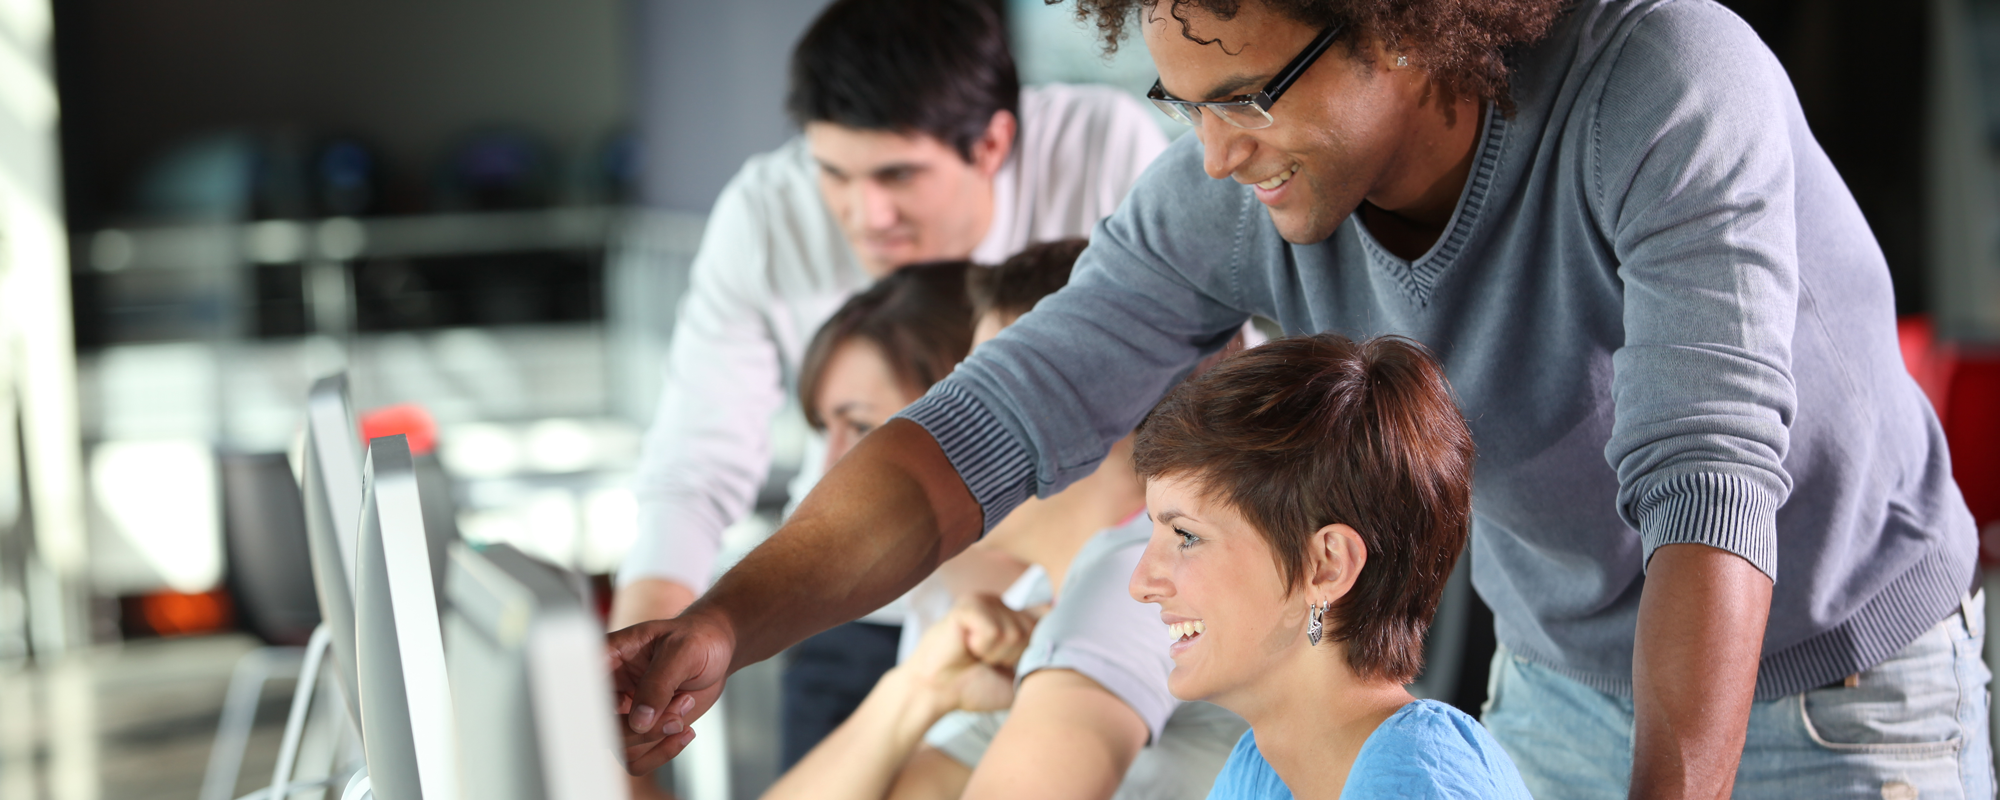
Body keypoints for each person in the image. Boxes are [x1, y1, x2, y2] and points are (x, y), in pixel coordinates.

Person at [610, 0, 1988, 796]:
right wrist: (722, 620)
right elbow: (982, 427)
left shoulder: (1665, 82)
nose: (1214, 154)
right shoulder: (1239, 195)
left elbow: (1705, 490)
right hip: (1567, 684)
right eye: (1183, 100)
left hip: (1832, 698)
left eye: (1250, 97)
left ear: (1403, 22)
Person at [611, 0, 1168, 770]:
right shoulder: (767, 210)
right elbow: (695, 465)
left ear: (994, 144)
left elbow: (1193, 376)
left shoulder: (1104, 150)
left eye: (898, 175)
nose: (866, 214)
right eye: (834, 175)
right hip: (845, 588)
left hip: (1059, 593)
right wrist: (639, 692)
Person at [763, 239, 1247, 800]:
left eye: (990, 393)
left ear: (1105, 406)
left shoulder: (1135, 580)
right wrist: (917, 690)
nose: (958, 424)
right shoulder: (1051, 591)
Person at [1128, 332, 1527, 798]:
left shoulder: (1414, 786)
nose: (1141, 583)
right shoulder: (1264, 765)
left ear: (1327, 567)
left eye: (1186, 536)